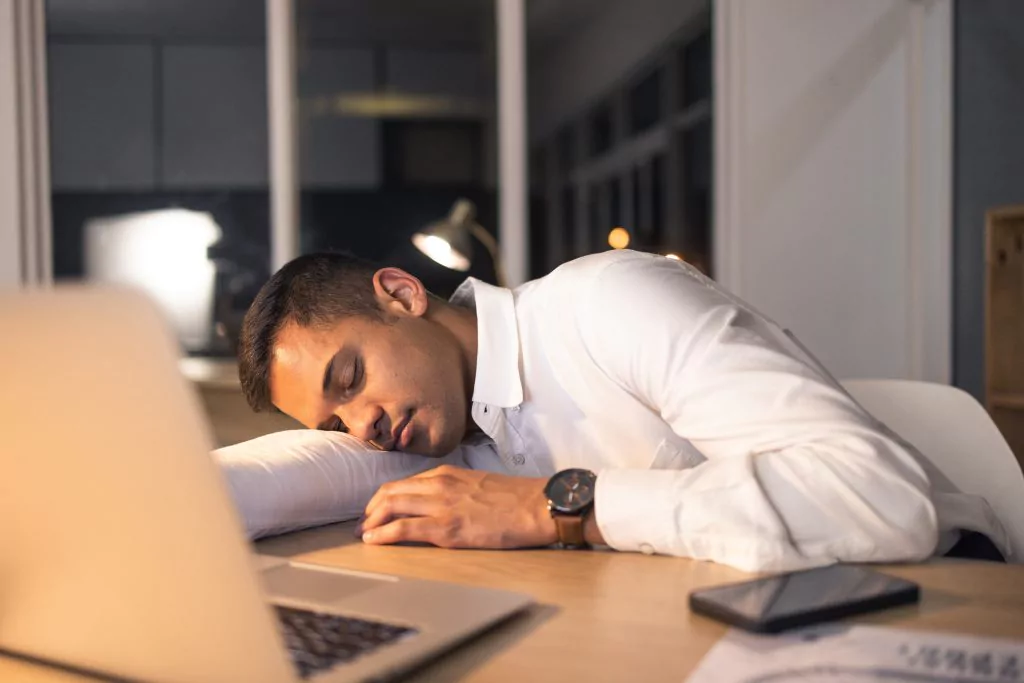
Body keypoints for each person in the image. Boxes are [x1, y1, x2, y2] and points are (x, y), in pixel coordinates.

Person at [237, 249, 1009, 571]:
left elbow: (881, 498)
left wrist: (559, 507)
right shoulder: (443, 435)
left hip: (938, 589)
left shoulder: (608, 304)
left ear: (403, 295)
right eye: (335, 422)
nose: (362, 424)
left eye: (350, 377)